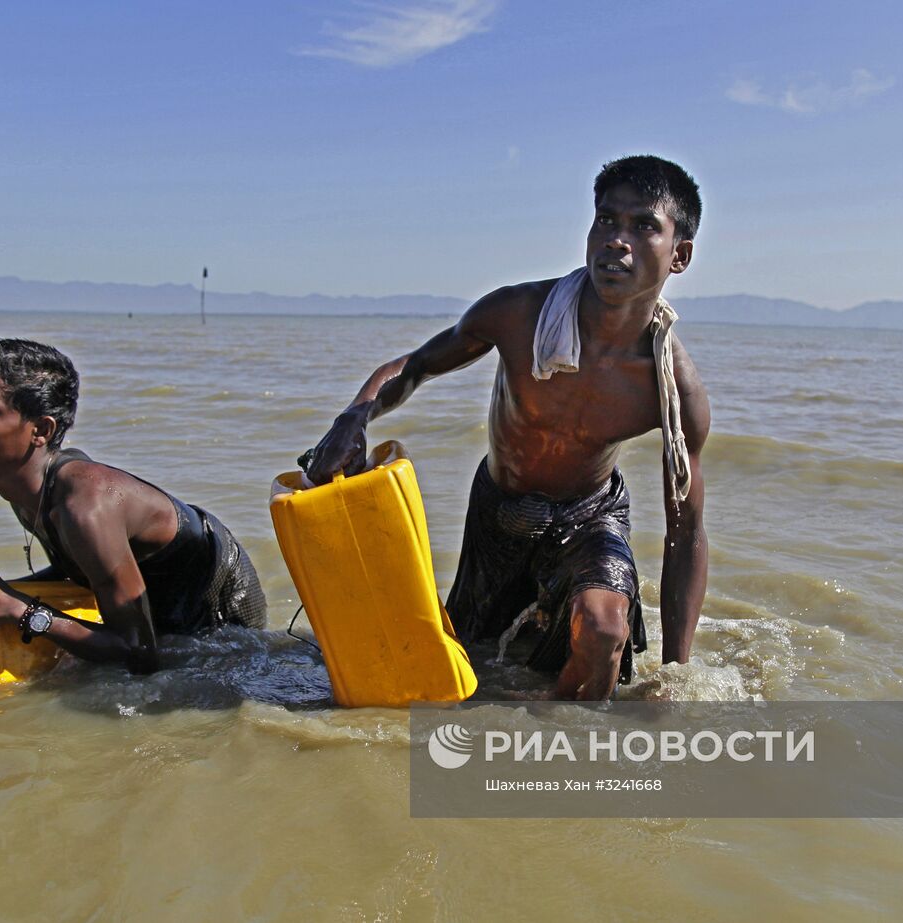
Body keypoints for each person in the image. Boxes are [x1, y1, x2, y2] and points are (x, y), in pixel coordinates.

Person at [304, 155, 709, 700]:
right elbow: (417, 364)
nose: (617, 239)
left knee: (604, 633)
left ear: (678, 255)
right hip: (500, 509)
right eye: (606, 220)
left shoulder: (670, 387)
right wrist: (356, 416)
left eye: (643, 226)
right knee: (468, 665)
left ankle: (553, 740)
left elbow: (685, 532)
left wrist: (676, 676)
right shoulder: (519, 314)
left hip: (590, 516)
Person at [0, 334, 266, 674]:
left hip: (220, 598)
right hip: (157, 587)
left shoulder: (85, 507)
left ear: (41, 431)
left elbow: (139, 652)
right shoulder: (24, 486)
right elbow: (81, 569)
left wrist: (16, 608)